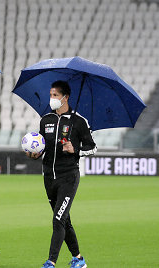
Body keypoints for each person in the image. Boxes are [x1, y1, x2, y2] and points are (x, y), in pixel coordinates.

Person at [26, 81, 96, 268]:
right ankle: (78, 259)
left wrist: (76, 149)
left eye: (55, 95)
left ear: (66, 97)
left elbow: (93, 148)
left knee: (58, 219)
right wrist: (35, 154)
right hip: (49, 177)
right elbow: (42, 148)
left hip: (68, 176)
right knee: (64, 220)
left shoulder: (79, 121)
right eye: (51, 95)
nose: (52, 99)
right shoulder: (45, 120)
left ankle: (51, 261)